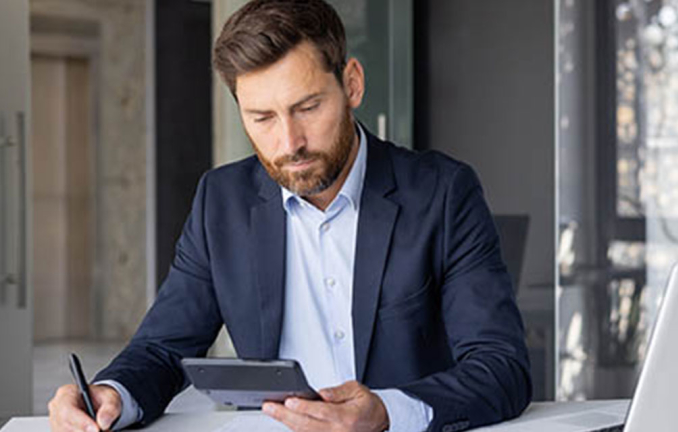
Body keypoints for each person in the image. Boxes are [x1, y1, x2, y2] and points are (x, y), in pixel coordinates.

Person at [47, 1, 531, 431]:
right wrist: (111, 395)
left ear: (353, 84)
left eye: (308, 107)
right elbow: (161, 349)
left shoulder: (442, 193)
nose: (289, 143)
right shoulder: (222, 200)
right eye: (262, 118)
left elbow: (500, 366)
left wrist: (385, 413)